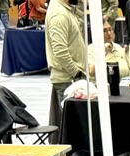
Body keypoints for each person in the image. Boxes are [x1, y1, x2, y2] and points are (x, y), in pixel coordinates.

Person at [44, 0, 86, 142]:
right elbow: (60, 51)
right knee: (72, 129)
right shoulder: (59, 14)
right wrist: (76, 73)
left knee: (72, 126)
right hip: (68, 80)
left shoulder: (66, 9)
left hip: (71, 79)